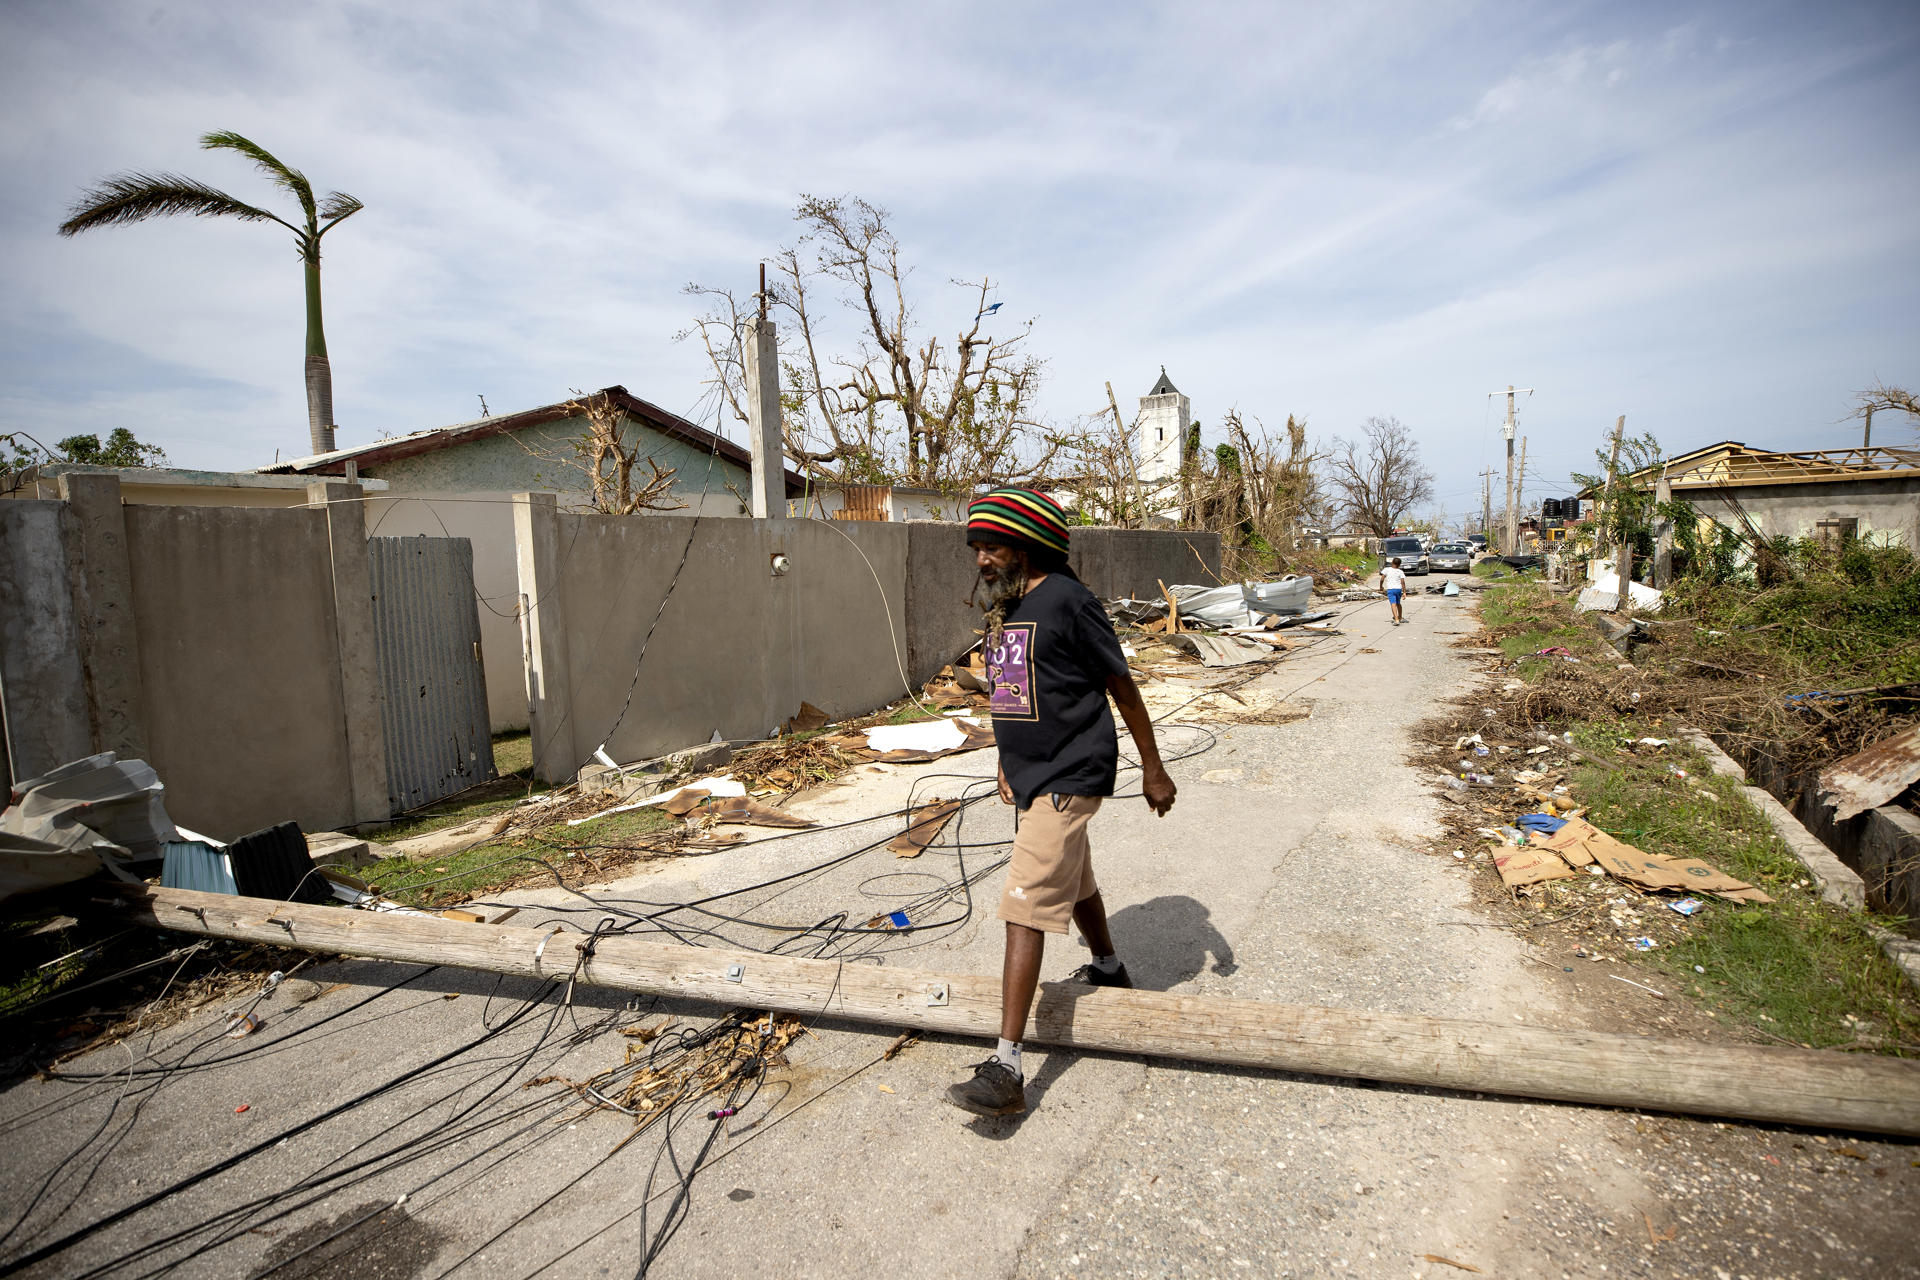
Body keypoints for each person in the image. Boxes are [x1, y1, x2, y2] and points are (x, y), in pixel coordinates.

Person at [946, 488, 1177, 1119]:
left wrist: (1153, 769)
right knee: (1073, 879)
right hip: (1033, 773)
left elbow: (1121, 688)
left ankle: (1007, 1064)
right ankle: (1107, 965)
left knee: (1024, 901)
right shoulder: (1011, 606)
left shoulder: (1070, 602)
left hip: (1073, 771)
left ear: (1030, 543)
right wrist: (1004, 758)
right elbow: (1013, 691)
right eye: (976, 549)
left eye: (991, 546)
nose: (981, 560)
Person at [1377, 556, 1408, 625]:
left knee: (1393, 604)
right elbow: (1403, 582)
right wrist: (1404, 592)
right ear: (1399, 565)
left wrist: (1381, 587)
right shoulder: (1400, 571)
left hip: (1391, 590)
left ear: (1392, 562)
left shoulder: (1387, 570)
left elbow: (1382, 579)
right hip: (1398, 590)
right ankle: (1400, 617)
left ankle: (1396, 619)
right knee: (1398, 603)